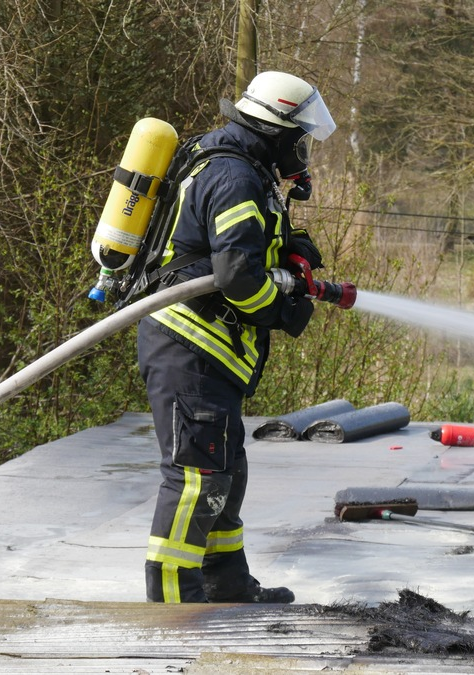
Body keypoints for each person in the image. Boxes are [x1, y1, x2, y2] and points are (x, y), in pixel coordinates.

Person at [137, 71, 336, 602]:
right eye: (301, 137)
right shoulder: (234, 175)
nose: (304, 149)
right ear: (276, 129)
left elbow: (236, 248)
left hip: (208, 350)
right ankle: (175, 598)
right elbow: (236, 277)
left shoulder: (243, 167)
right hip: (190, 346)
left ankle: (226, 585)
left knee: (226, 471)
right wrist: (282, 310)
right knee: (197, 478)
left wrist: (291, 247)